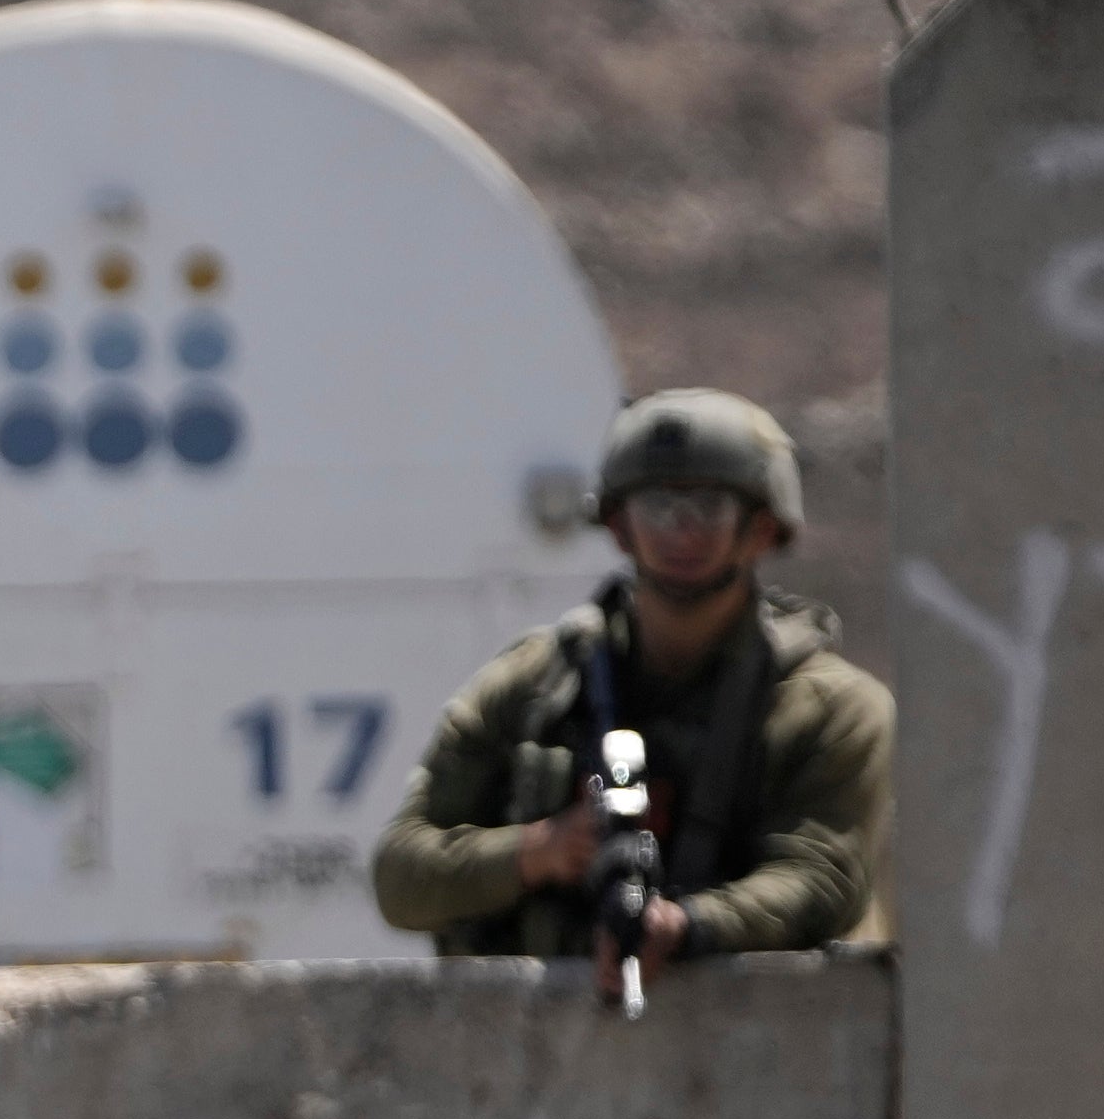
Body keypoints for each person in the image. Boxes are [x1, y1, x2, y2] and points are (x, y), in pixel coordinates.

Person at [372, 387, 890, 982]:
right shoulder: (532, 687)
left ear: (762, 530)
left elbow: (822, 879)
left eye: (709, 508)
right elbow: (402, 876)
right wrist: (542, 850)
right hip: (540, 1048)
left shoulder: (830, 709)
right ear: (619, 527)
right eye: (658, 507)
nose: (680, 530)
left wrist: (689, 924)